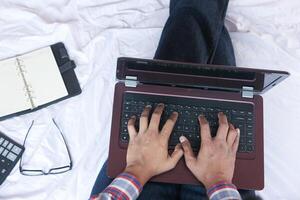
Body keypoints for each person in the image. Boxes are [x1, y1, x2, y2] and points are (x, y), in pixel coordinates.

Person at [90, 0, 260, 199]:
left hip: (137, 183)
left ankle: (202, 16)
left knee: (175, 89)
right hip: (217, 187)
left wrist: (138, 168)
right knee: (221, 107)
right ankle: (205, 19)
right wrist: (218, 179)